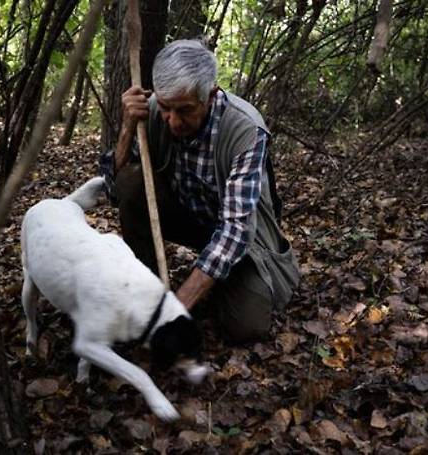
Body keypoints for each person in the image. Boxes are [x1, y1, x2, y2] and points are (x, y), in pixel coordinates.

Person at [100, 39, 299, 343]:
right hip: (189, 217)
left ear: (211, 94)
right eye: (166, 108)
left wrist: (177, 308)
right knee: (131, 181)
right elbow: (114, 193)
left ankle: (211, 285)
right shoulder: (153, 112)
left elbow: (235, 232)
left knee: (246, 326)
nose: (173, 121)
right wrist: (128, 128)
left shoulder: (245, 129)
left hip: (244, 238)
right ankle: (148, 294)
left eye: (185, 110)